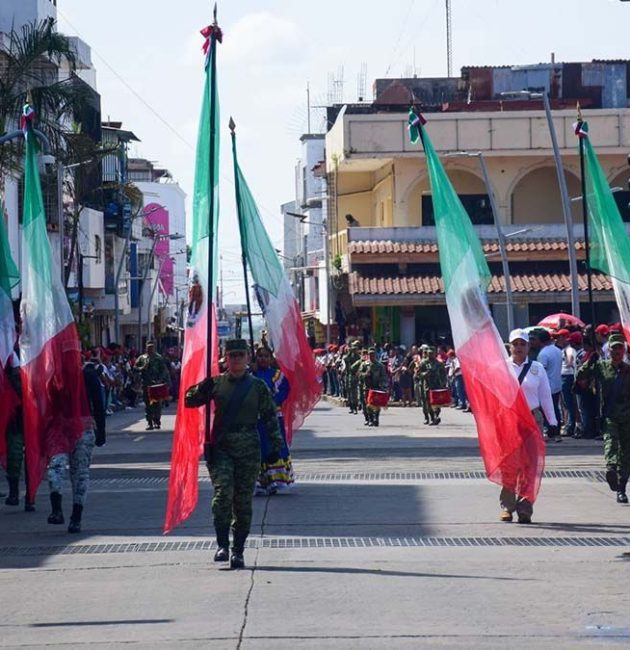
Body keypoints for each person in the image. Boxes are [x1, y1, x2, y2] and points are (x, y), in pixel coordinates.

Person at [185, 339, 282, 569]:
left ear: (248, 357)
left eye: (241, 354)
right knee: (222, 497)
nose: (237, 359)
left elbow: (270, 417)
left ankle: (238, 550)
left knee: (242, 503)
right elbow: (189, 400)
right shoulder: (217, 384)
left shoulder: (258, 386)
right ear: (225, 358)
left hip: (249, 448)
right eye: (232, 355)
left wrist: (275, 448)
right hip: (222, 447)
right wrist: (203, 388)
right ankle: (222, 544)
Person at [502, 329, 558, 524]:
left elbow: (545, 396)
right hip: (509, 420)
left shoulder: (537, 368)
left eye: (522, 344)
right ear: (509, 346)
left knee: (530, 464)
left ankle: (525, 508)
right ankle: (507, 506)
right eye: (515, 344)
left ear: (528, 346)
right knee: (510, 463)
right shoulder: (501, 367)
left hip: (532, 418)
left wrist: (553, 422)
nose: (518, 348)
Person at [47, 354, 106, 533]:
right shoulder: (89, 377)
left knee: (56, 467)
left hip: (60, 427)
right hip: (84, 427)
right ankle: (76, 518)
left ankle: (57, 509)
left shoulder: (54, 378)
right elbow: (99, 406)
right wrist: (101, 432)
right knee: (80, 473)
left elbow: (46, 405)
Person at [576, 334, 630, 504]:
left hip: (627, 417)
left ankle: (621, 489)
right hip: (609, 416)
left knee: (627, 455)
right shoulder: (601, 367)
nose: (617, 351)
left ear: (624, 350)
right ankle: (611, 470)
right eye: (613, 348)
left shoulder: (628, 370)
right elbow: (580, 376)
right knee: (611, 443)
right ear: (609, 350)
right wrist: (590, 361)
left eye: (620, 347)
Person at [252, 346, 294, 495]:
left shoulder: (277, 375)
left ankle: (275, 479)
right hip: (255, 419)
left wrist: (271, 403)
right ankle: (259, 480)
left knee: (274, 446)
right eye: (260, 356)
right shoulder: (251, 374)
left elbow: (284, 391)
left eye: (265, 356)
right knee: (258, 447)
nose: (262, 359)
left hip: (273, 418)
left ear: (271, 359)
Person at [532, 328, 563, 442]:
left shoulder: (543, 353)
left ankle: (551, 431)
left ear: (540, 340)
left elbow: (541, 373)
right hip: (557, 384)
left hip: (547, 386)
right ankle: (556, 432)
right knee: (555, 409)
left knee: (547, 410)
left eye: (534, 339)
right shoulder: (557, 350)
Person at [135, 342, 170, 430]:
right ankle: (149, 422)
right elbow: (135, 368)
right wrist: (142, 368)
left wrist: (161, 380)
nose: (150, 350)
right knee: (148, 404)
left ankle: (157, 421)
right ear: (146, 349)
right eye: (148, 348)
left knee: (157, 403)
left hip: (156, 384)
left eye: (151, 348)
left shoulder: (159, 358)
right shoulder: (142, 358)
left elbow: (164, 371)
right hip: (146, 384)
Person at [358, 348, 388, 426]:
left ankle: (376, 418)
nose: (371, 356)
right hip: (367, 387)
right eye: (370, 355)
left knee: (376, 404)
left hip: (377, 387)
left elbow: (384, 376)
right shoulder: (364, 364)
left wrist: (383, 385)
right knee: (368, 404)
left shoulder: (379, 365)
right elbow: (359, 374)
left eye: (373, 355)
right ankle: (369, 418)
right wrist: (365, 374)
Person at [418, 347, 447, 426]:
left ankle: (436, 416)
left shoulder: (439, 363)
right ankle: (430, 417)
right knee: (428, 402)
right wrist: (425, 374)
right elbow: (418, 374)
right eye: (429, 354)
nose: (431, 355)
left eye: (432, 354)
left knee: (437, 402)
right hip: (427, 385)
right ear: (427, 354)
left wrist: (444, 383)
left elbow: (443, 374)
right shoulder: (423, 363)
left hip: (437, 385)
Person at [557, 329, 577, 437]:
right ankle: (569, 424)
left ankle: (571, 425)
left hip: (567, 376)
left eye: (560, 337)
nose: (558, 339)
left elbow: (570, 360)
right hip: (564, 376)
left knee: (568, 403)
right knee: (565, 403)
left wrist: (567, 363)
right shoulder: (563, 349)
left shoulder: (569, 350)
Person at [343, 341, 362, 414]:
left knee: (355, 392)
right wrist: (349, 352)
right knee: (349, 391)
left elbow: (360, 362)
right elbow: (345, 360)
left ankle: (355, 407)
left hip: (355, 374)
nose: (354, 349)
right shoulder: (349, 355)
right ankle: (351, 406)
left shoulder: (358, 356)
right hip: (349, 375)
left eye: (355, 348)